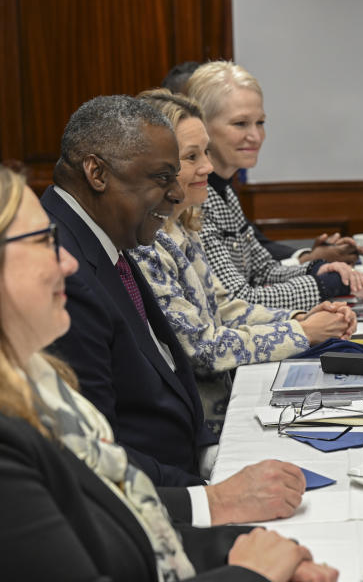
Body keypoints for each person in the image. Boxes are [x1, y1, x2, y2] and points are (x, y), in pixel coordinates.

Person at [0, 166, 338, 581]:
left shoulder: (40, 382)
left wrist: (246, 549)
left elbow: (123, 523)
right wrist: (250, 574)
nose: (67, 261)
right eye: (43, 241)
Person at [130, 89, 357, 435]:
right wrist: (301, 333)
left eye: (205, 152)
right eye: (192, 156)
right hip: (204, 424)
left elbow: (224, 306)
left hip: (226, 400)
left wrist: (297, 317)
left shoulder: (179, 225)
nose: (208, 166)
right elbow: (203, 349)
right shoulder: (146, 243)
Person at [186, 61, 363, 311]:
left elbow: (263, 269)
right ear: (202, 128)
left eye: (260, 123)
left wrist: (319, 268)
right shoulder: (196, 198)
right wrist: (327, 284)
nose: (256, 136)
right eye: (240, 124)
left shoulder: (225, 190)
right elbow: (238, 300)